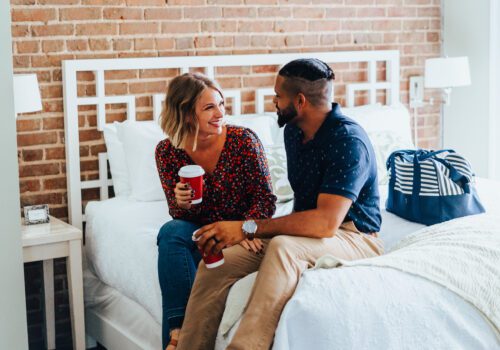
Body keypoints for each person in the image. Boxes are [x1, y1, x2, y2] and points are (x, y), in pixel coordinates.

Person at [176, 58, 384, 350]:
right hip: (305, 232)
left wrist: (249, 228)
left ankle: (246, 346)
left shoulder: (347, 141)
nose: (273, 101)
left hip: (354, 237)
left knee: (283, 247)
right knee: (217, 263)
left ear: (300, 102)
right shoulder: (293, 131)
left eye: (278, 96)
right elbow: (305, 218)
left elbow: (325, 224)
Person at [155, 72, 277, 350]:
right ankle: (179, 331)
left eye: (221, 104)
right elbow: (178, 214)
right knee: (171, 233)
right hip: (200, 231)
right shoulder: (167, 151)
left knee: (178, 239)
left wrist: (246, 229)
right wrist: (181, 202)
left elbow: (265, 198)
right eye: (209, 107)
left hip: (240, 230)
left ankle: (176, 341)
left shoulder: (242, 141)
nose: (220, 113)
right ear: (186, 114)